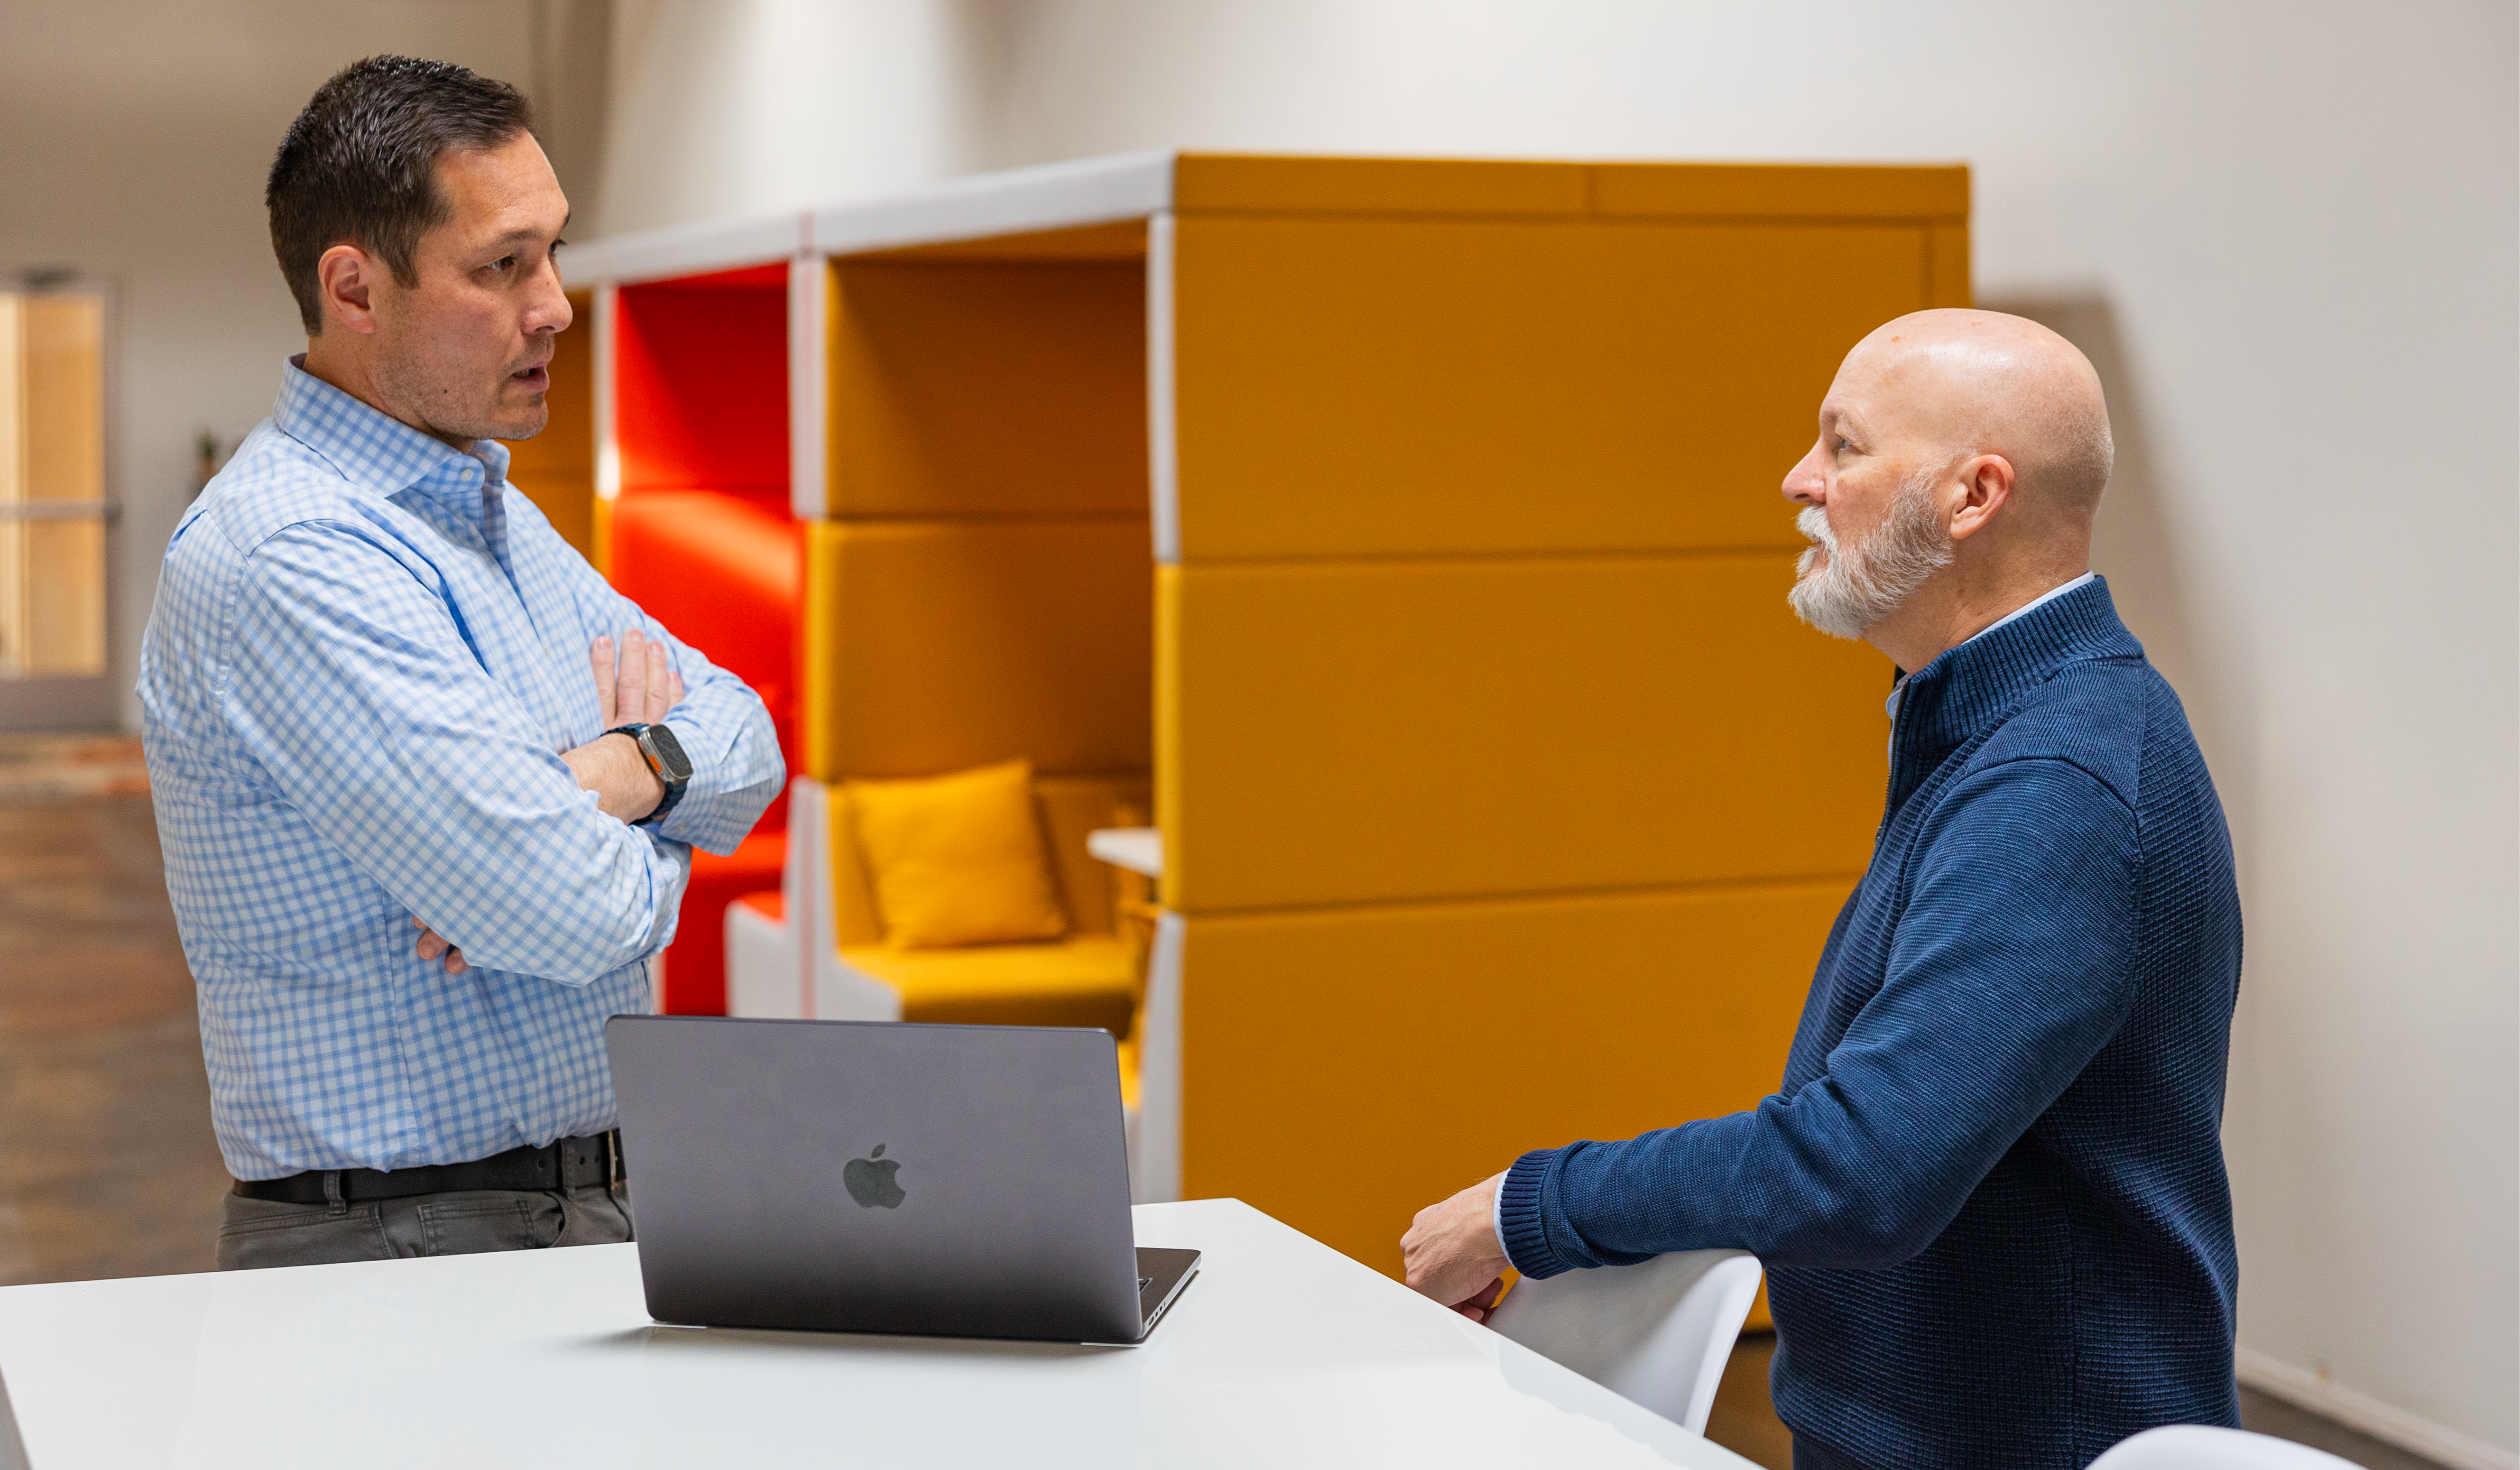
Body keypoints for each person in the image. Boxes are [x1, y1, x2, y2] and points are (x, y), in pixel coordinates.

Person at [1400, 309, 2242, 1469]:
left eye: (1842, 447)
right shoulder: (2002, 727)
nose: (1798, 480)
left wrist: (1526, 1206)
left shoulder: (2058, 781)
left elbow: (1862, 1169)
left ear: (1970, 496)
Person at [138, 56, 783, 1268]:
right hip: (401, 1238)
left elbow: (748, 734)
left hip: (589, 1196)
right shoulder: (292, 554)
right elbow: (577, 909)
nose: (557, 306)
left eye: (553, 252)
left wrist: (615, 772)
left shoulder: (492, 516)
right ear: (355, 288)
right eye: (503, 266)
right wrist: (643, 815)